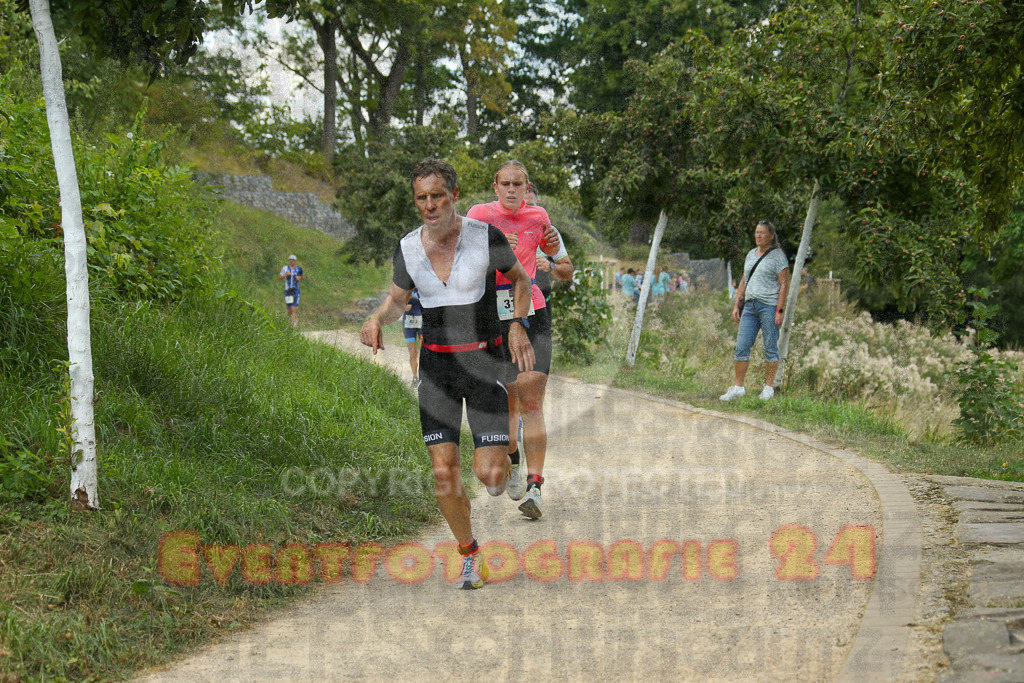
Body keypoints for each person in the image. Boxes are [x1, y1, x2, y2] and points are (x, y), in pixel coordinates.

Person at [360, 158, 536, 589]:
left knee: (490, 477)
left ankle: (510, 454)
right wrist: (374, 319)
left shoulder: (484, 236)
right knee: (443, 469)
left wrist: (514, 323)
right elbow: (398, 300)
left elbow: (519, 280)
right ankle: (470, 555)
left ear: (454, 195)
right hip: (436, 367)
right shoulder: (408, 247)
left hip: (482, 360)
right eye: (421, 198)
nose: (430, 204)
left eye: (437, 195)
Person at [467, 161, 561, 520]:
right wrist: (490, 251)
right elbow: (461, 260)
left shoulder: (538, 217)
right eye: (505, 183)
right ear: (494, 186)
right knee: (506, 402)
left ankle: (536, 487)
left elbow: (555, 257)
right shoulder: (478, 214)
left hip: (531, 312)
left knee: (532, 402)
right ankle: (511, 462)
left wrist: (552, 248)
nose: (511, 190)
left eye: (517, 184)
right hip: (492, 315)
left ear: (526, 187)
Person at [721, 220, 790, 402]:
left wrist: (779, 310)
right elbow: (744, 281)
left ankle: (768, 388)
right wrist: (737, 304)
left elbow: (784, 284)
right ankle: (738, 387)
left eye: (762, 233)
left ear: (771, 235)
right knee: (742, 346)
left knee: (770, 347)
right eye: (756, 232)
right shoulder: (751, 254)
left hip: (769, 306)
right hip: (750, 306)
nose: (758, 236)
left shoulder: (778, 256)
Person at [279, 254, 306, 328]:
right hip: (288, 291)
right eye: (290, 260)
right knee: (289, 310)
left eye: (293, 260)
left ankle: (292, 326)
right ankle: (294, 320)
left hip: (296, 291)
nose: (291, 261)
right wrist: (285, 275)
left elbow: (304, 276)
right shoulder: (285, 268)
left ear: (295, 261)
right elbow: (280, 278)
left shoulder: (299, 269)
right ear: (289, 261)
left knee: (293, 309)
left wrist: (299, 277)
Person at [403, 288, 423, 387]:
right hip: (408, 324)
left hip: (422, 323)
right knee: (412, 352)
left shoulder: (424, 288)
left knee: (424, 351)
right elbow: (396, 305)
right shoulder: (406, 290)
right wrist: (403, 307)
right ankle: (415, 377)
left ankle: (424, 378)